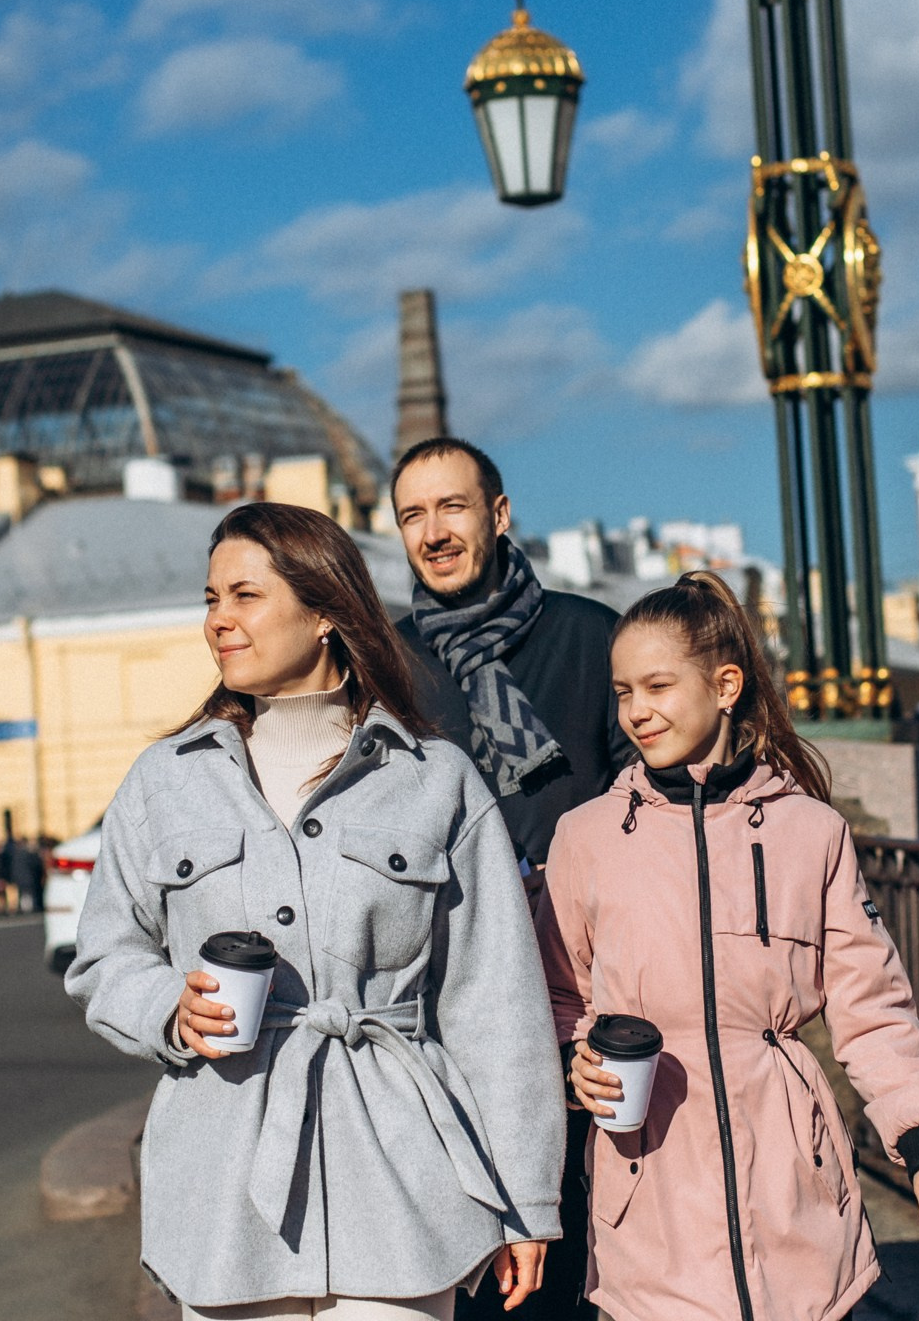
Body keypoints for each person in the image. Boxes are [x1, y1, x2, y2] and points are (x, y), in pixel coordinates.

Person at [68, 502, 563, 1319]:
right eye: (210, 599)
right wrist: (171, 1008)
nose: (219, 622)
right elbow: (104, 956)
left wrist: (526, 1196)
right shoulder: (166, 779)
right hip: (222, 1191)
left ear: (326, 609)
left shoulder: (434, 779)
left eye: (244, 597)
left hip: (405, 1186)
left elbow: (495, 1004)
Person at [538, 572, 919, 1321]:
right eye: (622, 693)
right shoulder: (586, 838)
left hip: (793, 1190)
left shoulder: (813, 833)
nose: (636, 712)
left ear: (726, 684)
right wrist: (575, 1058)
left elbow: (871, 1008)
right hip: (648, 1183)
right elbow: (556, 995)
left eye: (657, 687)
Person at [390, 436, 631, 1321]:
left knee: (582, 1219)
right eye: (413, 515)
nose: (434, 531)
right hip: (456, 988)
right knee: (480, 1233)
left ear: (497, 515)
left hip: (583, 971)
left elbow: (643, 794)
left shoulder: (590, 636)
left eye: (452, 507)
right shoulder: (389, 663)